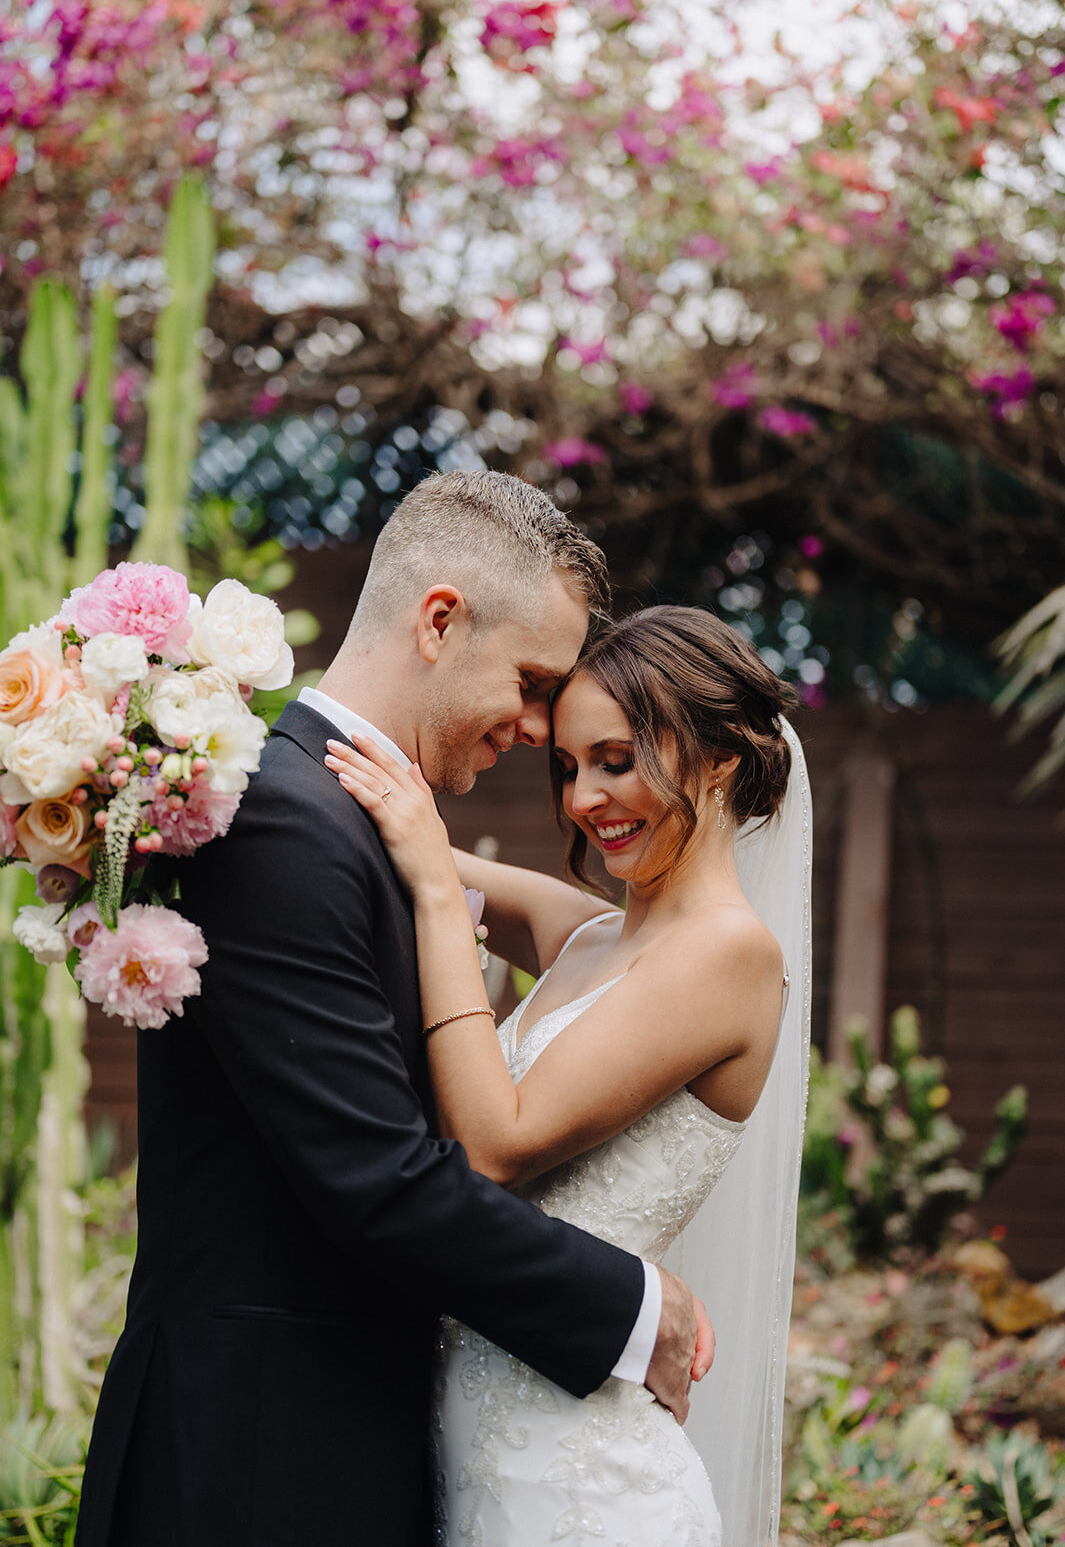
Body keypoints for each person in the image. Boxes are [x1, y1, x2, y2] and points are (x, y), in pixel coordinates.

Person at [74, 473, 711, 1547]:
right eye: (531, 679)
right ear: (440, 619)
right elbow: (381, 1181)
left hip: (330, 1445)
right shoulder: (280, 825)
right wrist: (633, 1306)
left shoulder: (358, 823)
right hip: (249, 1466)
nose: (535, 723)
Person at [326, 603, 813, 1547]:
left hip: (587, 1491)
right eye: (568, 767)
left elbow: (495, 1144)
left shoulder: (730, 954)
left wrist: (436, 889)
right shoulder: (589, 935)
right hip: (473, 1457)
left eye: (616, 759)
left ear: (718, 758)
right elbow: (380, 841)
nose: (583, 798)